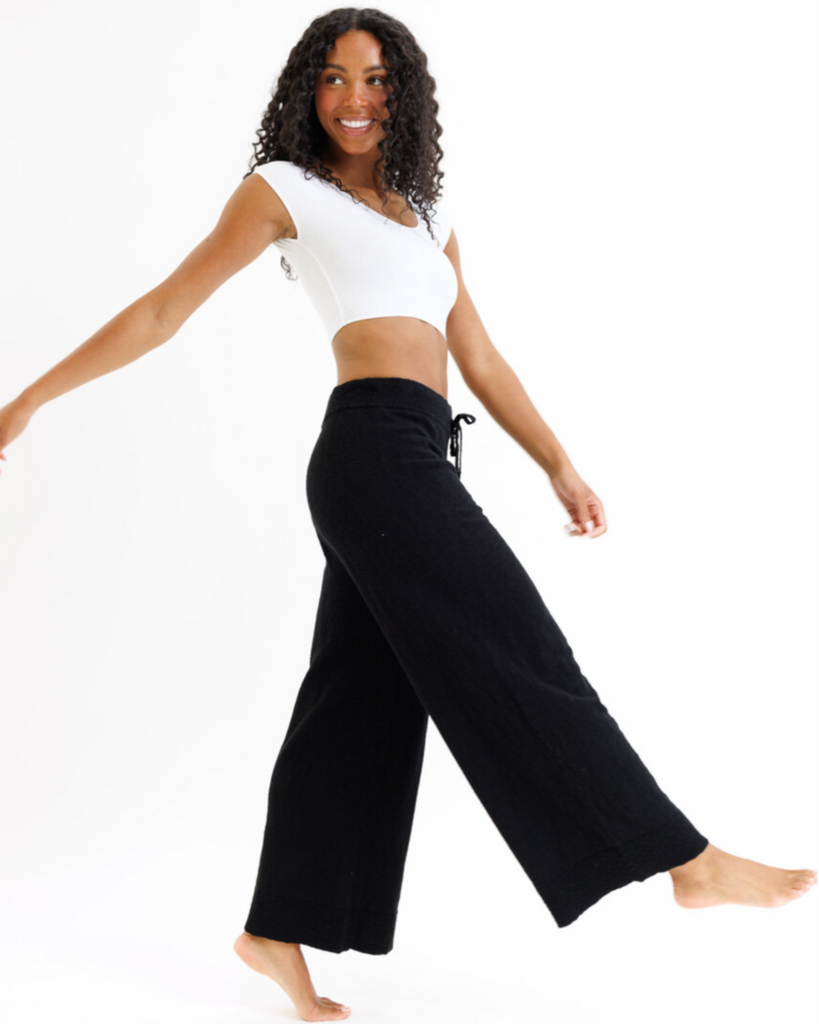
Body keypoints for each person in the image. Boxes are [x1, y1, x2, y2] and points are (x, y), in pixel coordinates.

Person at [0, 8, 814, 1023]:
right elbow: (165, 309)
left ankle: (276, 934)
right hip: (371, 453)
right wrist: (27, 399)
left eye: (376, 79)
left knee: (357, 702)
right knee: (515, 641)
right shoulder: (281, 193)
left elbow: (478, 353)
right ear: (309, 90)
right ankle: (682, 858)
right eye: (334, 79)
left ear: (405, 92)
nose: (353, 99)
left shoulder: (430, 211)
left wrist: (559, 461)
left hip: (424, 453)